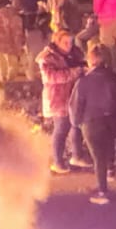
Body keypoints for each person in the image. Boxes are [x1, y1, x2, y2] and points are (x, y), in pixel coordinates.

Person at [69, 43, 116, 204]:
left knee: (98, 156)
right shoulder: (114, 78)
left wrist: (76, 122)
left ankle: (102, 191)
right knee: (109, 144)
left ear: (90, 60)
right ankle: (111, 170)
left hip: (91, 121)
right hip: (111, 119)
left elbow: (76, 104)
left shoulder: (84, 82)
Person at [36, 29, 88, 174]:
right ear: (56, 42)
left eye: (70, 42)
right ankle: (57, 162)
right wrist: (77, 72)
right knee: (61, 130)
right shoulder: (47, 58)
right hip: (57, 99)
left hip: (72, 97)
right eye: (65, 42)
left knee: (75, 126)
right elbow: (52, 77)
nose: (69, 45)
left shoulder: (73, 53)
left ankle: (77, 156)